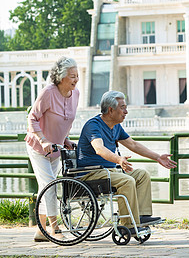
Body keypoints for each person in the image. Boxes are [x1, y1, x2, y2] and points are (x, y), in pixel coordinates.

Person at [77, 90, 177, 233]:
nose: (126, 111)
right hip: (91, 173)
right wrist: (118, 159)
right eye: (122, 107)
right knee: (126, 180)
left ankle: (140, 217)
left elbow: (133, 145)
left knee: (141, 175)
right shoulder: (93, 125)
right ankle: (128, 224)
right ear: (111, 110)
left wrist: (157, 157)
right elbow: (99, 148)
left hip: (109, 172)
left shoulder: (115, 126)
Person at [25, 57, 79, 242]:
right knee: (50, 185)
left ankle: (40, 231)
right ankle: (55, 229)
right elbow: (32, 118)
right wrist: (43, 140)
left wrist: (66, 139)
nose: (76, 79)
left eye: (77, 75)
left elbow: (66, 121)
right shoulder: (48, 92)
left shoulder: (76, 94)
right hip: (38, 147)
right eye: (72, 76)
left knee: (45, 187)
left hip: (56, 148)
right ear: (61, 77)